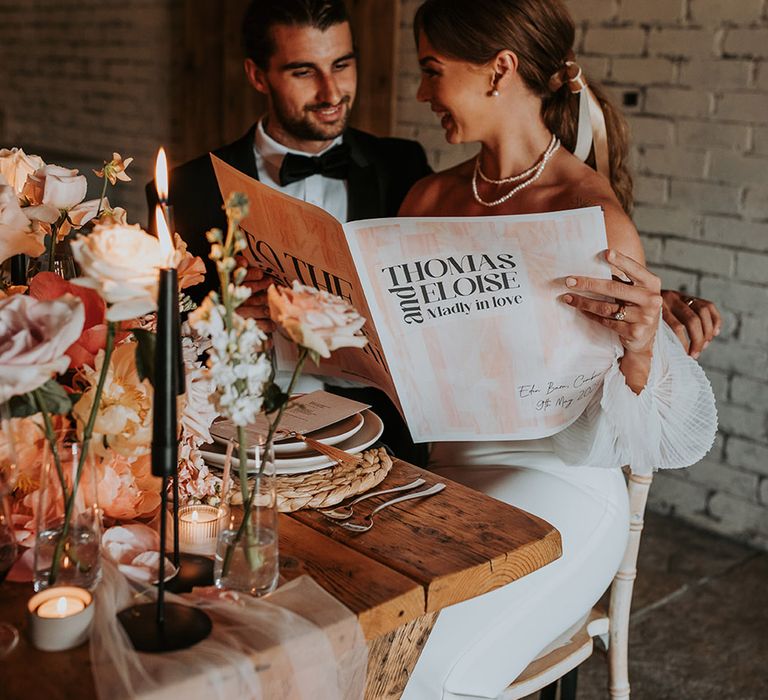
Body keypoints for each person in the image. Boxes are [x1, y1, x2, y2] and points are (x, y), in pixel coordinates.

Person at [395, 1, 719, 698]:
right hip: (442, 479)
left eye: (432, 71)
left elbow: (648, 437)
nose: (423, 94)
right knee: (347, 626)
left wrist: (640, 350)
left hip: (560, 489)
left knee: (428, 665)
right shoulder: (424, 201)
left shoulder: (592, 216)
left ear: (499, 70)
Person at [146, 0, 432, 465]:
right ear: (258, 76)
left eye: (342, 64)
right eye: (304, 72)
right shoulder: (189, 188)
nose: (331, 90)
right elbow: (158, 336)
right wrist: (227, 318)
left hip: (378, 434)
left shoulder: (403, 167)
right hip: (230, 437)